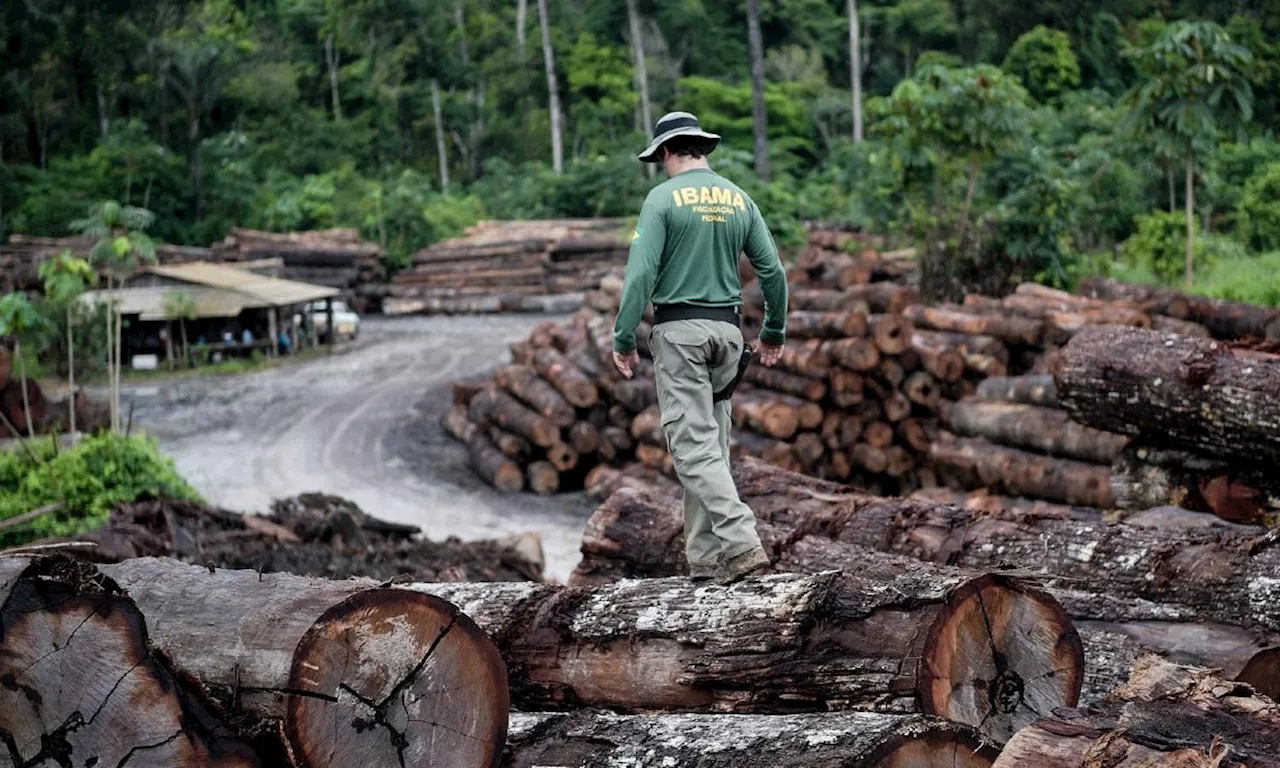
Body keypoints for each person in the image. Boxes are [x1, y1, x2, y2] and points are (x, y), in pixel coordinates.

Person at [612, 111, 789, 585]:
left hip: (680, 334)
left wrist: (624, 336)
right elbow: (772, 272)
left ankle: (741, 541)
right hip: (728, 336)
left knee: (691, 448)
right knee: (710, 448)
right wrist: (773, 331)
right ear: (702, 149)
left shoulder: (661, 199)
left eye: (660, 159)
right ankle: (707, 562)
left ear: (667, 151)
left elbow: (640, 275)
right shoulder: (738, 198)